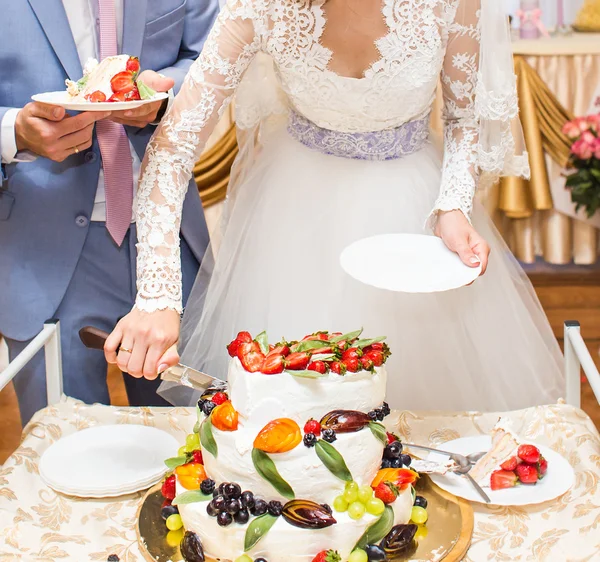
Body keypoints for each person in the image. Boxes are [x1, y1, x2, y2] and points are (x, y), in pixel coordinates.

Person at [106, 0, 565, 412]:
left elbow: (463, 118)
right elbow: (173, 149)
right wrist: (157, 297)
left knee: (422, 410)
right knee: (293, 420)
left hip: (411, 213)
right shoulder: (261, 7)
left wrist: (452, 207)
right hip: (297, 219)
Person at [0, 0, 219, 425]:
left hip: (172, 244)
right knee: (61, 447)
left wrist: (166, 93)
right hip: (41, 250)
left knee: (199, 440)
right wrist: (14, 133)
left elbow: (210, 54)